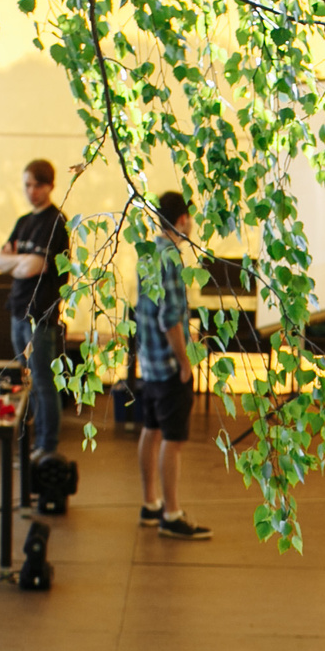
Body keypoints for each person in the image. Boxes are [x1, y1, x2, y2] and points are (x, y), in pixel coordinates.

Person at [129, 189, 211, 540]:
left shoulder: (147, 253)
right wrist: (185, 363)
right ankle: (172, 514)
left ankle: (151, 504)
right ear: (182, 220)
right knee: (173, 440)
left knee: (152, 429)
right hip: (168, 364)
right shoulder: (172, 259)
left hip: (148, 363)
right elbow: (170, 319)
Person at [0, 158, 70, 460]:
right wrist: (19, 263)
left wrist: (19, 262)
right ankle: (37, 440)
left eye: (37, 185)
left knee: (42, 380)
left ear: (50, 186)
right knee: (29, 379)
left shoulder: (57, 222)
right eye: (27, 185)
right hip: (17, 309)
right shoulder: (24, 221)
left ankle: (47, 445)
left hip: (40, 314)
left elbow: (36, 266)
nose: (31, 191)